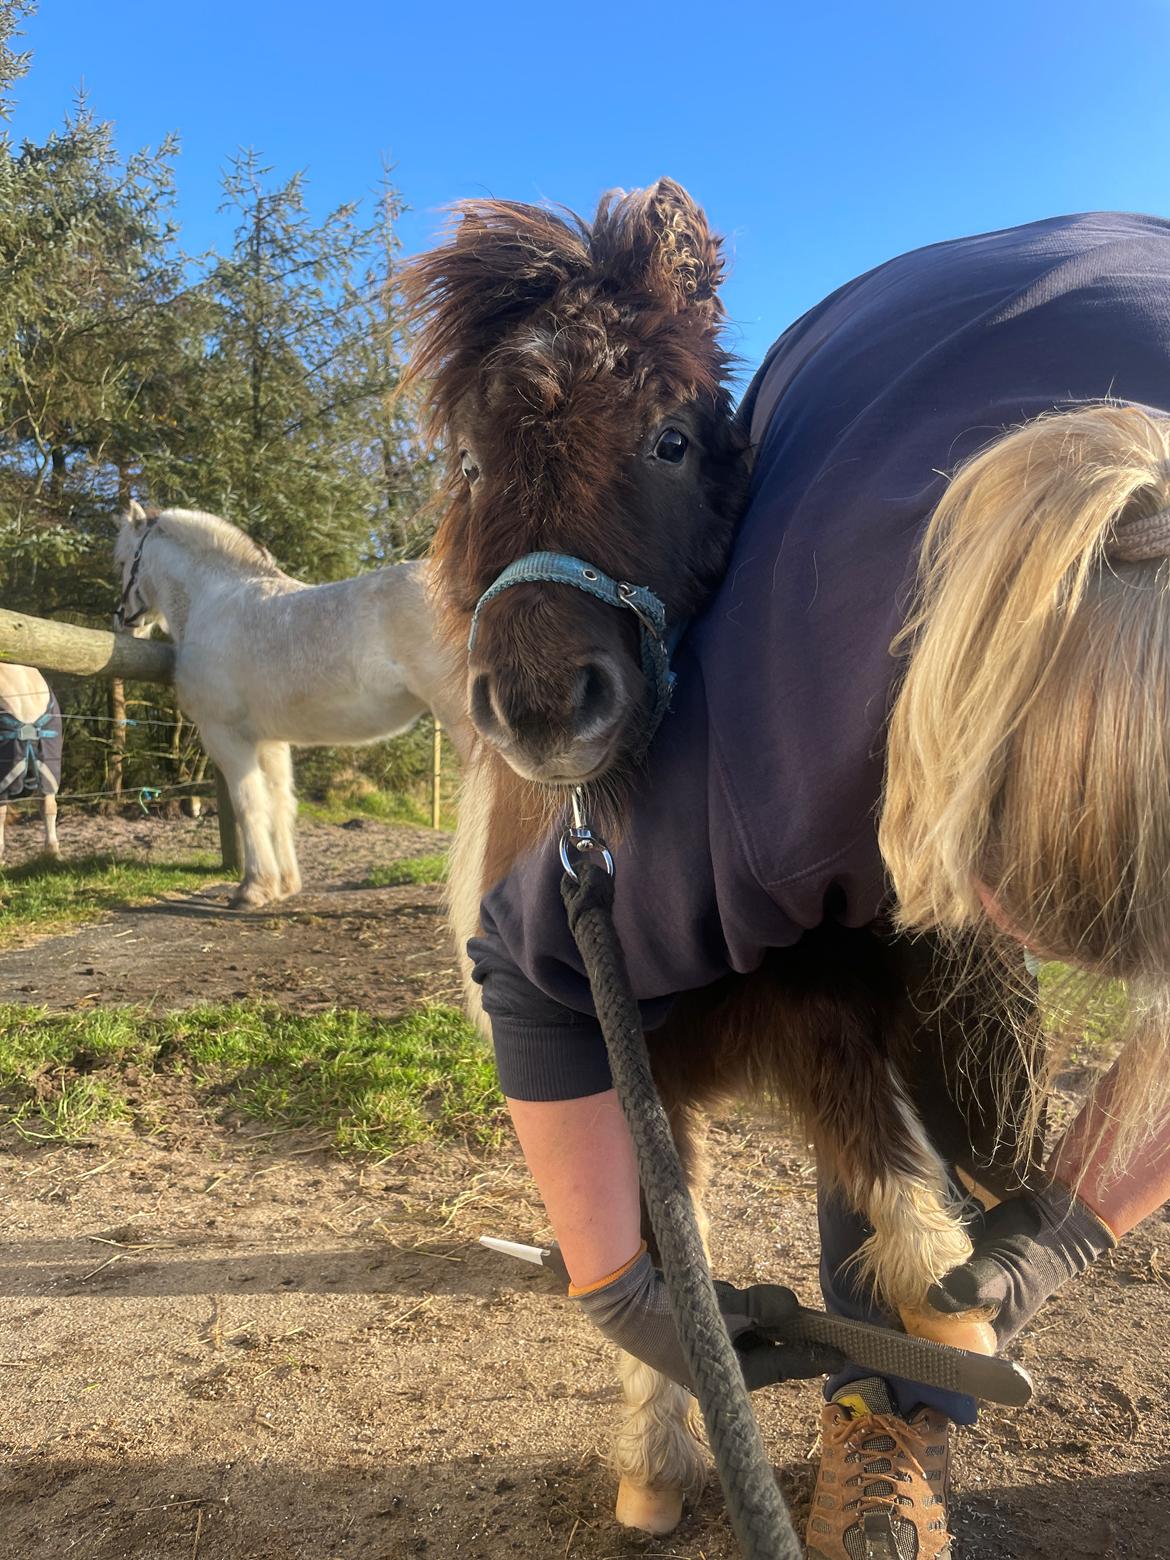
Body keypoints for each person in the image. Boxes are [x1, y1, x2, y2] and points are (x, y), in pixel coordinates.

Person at [467, 211, 1170, 1560]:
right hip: (846, 366)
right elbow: (540, 978)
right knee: (868, 960)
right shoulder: (779, 739)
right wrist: (619, 1287)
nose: (1008, 932)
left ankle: (896, 1384)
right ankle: (885, 1405)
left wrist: (1067, 1234)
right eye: (998, 889)